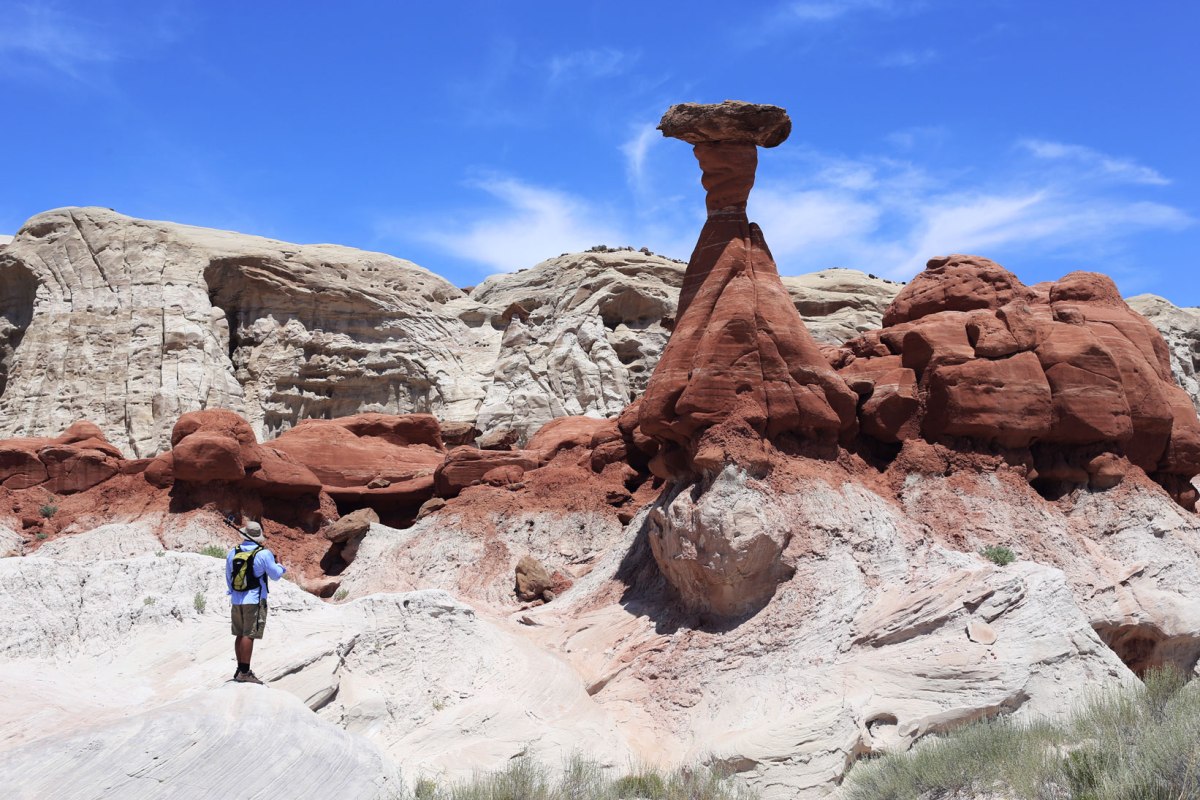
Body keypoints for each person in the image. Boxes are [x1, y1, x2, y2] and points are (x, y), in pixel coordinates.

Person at [225, 520, 286, 684]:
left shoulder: (233, 552)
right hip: (254, 599)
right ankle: (245, 672)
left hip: (237, 599)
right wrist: (280, 564)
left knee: (239, 634)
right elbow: (275, 575)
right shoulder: (264, 554)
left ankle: (240, 669)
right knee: (249, 634)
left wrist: (234, 593)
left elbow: (228, 577)